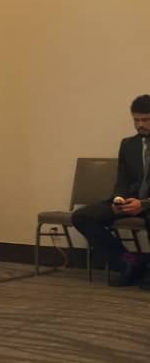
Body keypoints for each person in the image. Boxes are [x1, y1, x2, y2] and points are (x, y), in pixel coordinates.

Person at [72, 94, 150, 287]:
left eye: (146, 120)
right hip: (131, 200)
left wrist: (144, 204)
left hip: (147, 203)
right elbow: (122, 179)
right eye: (136, 120)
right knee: (82, 217)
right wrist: (118, 199)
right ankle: (129, 263)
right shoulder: (128, 145)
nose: (140, 125)